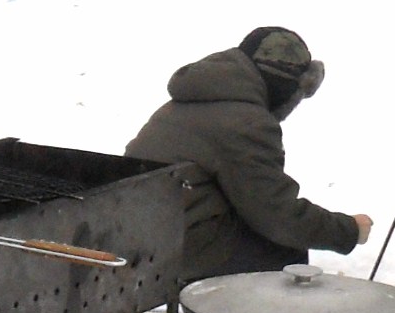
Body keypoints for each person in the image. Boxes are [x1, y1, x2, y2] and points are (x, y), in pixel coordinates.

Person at [127, 26, 371, 282]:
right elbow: (278, 215)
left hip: (135, 233)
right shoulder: (247, 123)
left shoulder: (191, 99)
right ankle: (222, 309)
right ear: (285, 91)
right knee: (284, 251)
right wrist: (349, 230)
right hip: (174, 249)